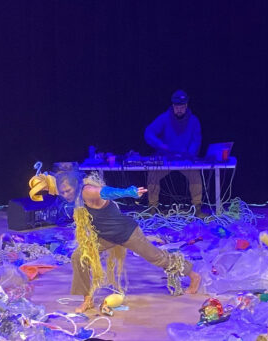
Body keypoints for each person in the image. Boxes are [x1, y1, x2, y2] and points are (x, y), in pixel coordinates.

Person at [53, 168, 201, 313]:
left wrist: (128, 192)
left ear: (76, 185)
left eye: (68, 191)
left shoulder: (87, 191)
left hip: (127, 233)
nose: (66, 195)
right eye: (63, 192)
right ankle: (87, 299)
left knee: (157, 258)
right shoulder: (77, 198)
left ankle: (193, 276)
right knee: (79, 256)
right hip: (105, 236)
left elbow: (106, 192)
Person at [144, 89, 208, 218]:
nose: (179, 109)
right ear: (173, 106)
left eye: (182, 106)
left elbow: (196, 140)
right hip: (166, 158)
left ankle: (197, 208)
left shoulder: (194, 120)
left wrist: (189, 155)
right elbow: (149, 132)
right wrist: (160, 144)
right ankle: (152, 208)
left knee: (195, 175)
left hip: (185, 158)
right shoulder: (164, 118)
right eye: (176, 106)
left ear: (186, 106)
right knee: (153, 174)